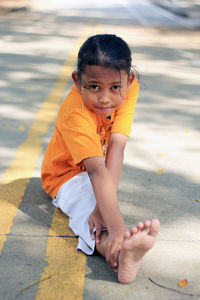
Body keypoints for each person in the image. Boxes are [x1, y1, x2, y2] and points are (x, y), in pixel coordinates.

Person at [41, 34, 160, 284]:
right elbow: (95, 171)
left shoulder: (129, 87)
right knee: (91, 211)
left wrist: (103, 208)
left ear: (128, 80)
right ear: (78, 81)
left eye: (114, 87)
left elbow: (117, 145)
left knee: (104, 206)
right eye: (94, 86)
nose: (105, 98)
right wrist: (116, 229)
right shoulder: (75, 112)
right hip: (66, 175)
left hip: (98, 167)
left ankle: (121, 245)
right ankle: (117, 250)